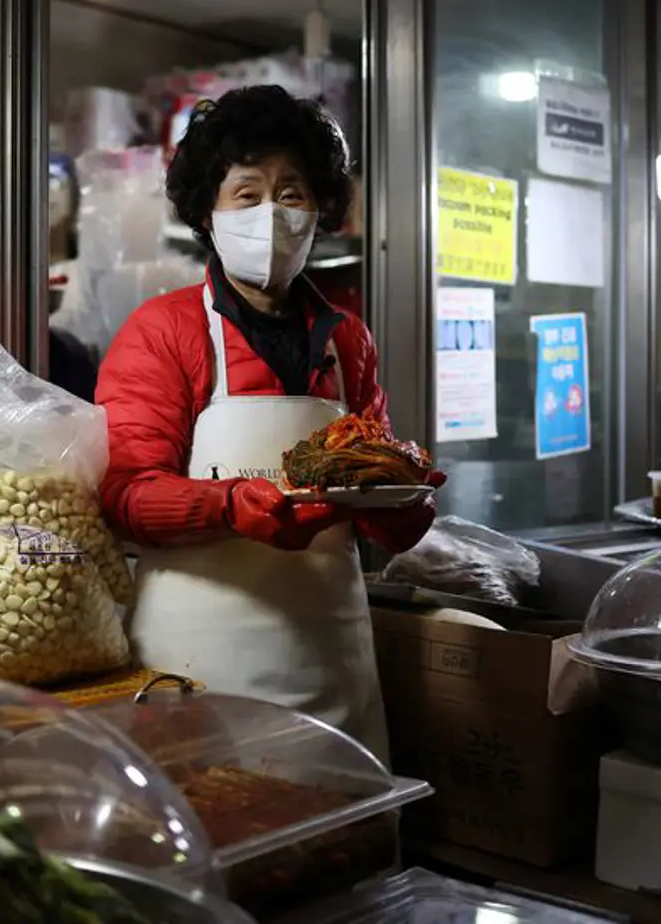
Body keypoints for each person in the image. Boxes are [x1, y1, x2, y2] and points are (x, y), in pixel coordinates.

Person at [95, 85, 439, 759]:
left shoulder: (349, 342)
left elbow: (373, 488)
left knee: (341, 840)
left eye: (292, 193)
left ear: (319, 209)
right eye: (247, 195)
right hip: (199, 668)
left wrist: (402, 503)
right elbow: (125, 494)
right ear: (208, 212)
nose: (273, 214)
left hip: (331, 656)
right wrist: (233, 507)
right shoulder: (166, 330)